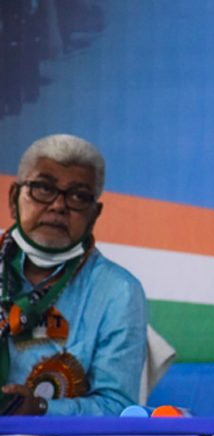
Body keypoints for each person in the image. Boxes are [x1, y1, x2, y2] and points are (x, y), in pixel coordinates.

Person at [0, 134, 148, 416]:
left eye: (78, 196)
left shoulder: (119, 291)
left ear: (94, 214)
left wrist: (41, 409)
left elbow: (117, 408)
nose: (58, 206)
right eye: (43, 188)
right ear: (13, 198)